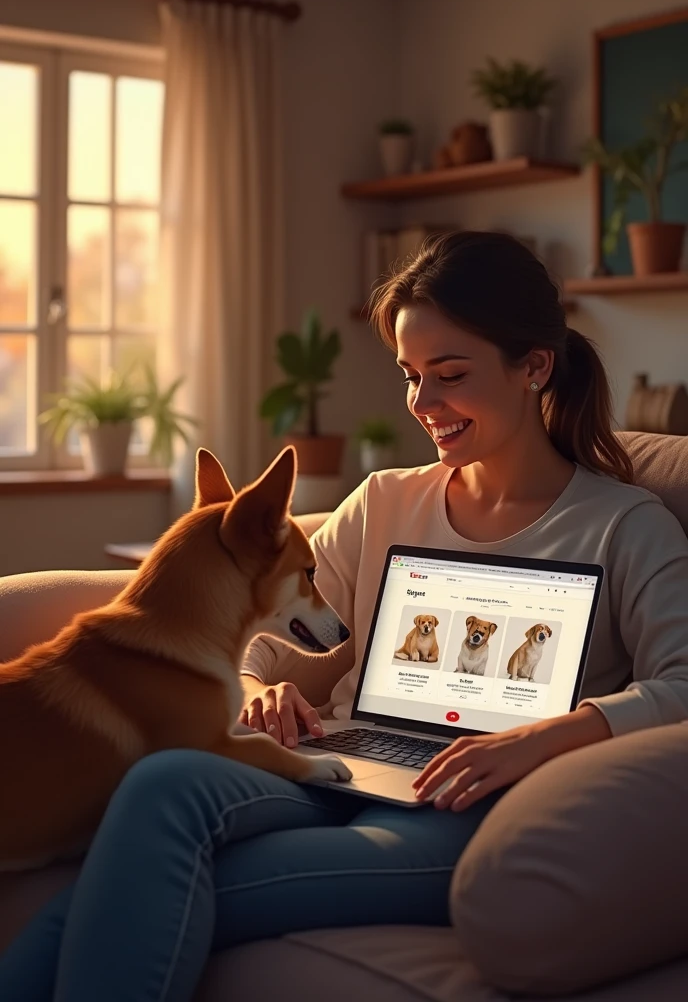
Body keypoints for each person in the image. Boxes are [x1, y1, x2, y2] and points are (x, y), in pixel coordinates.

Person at [3, 231, 688, 1002]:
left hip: (470, 803)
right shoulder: (385, 500)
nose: (423, 404)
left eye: (451, 375)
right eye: (411, 376)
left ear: (534, 366)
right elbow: (268, 627)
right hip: (344, 757)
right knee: (165, 782)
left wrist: (549, 734)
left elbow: (684, 684)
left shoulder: (626, 526)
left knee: (139, 885)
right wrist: (257, 684)